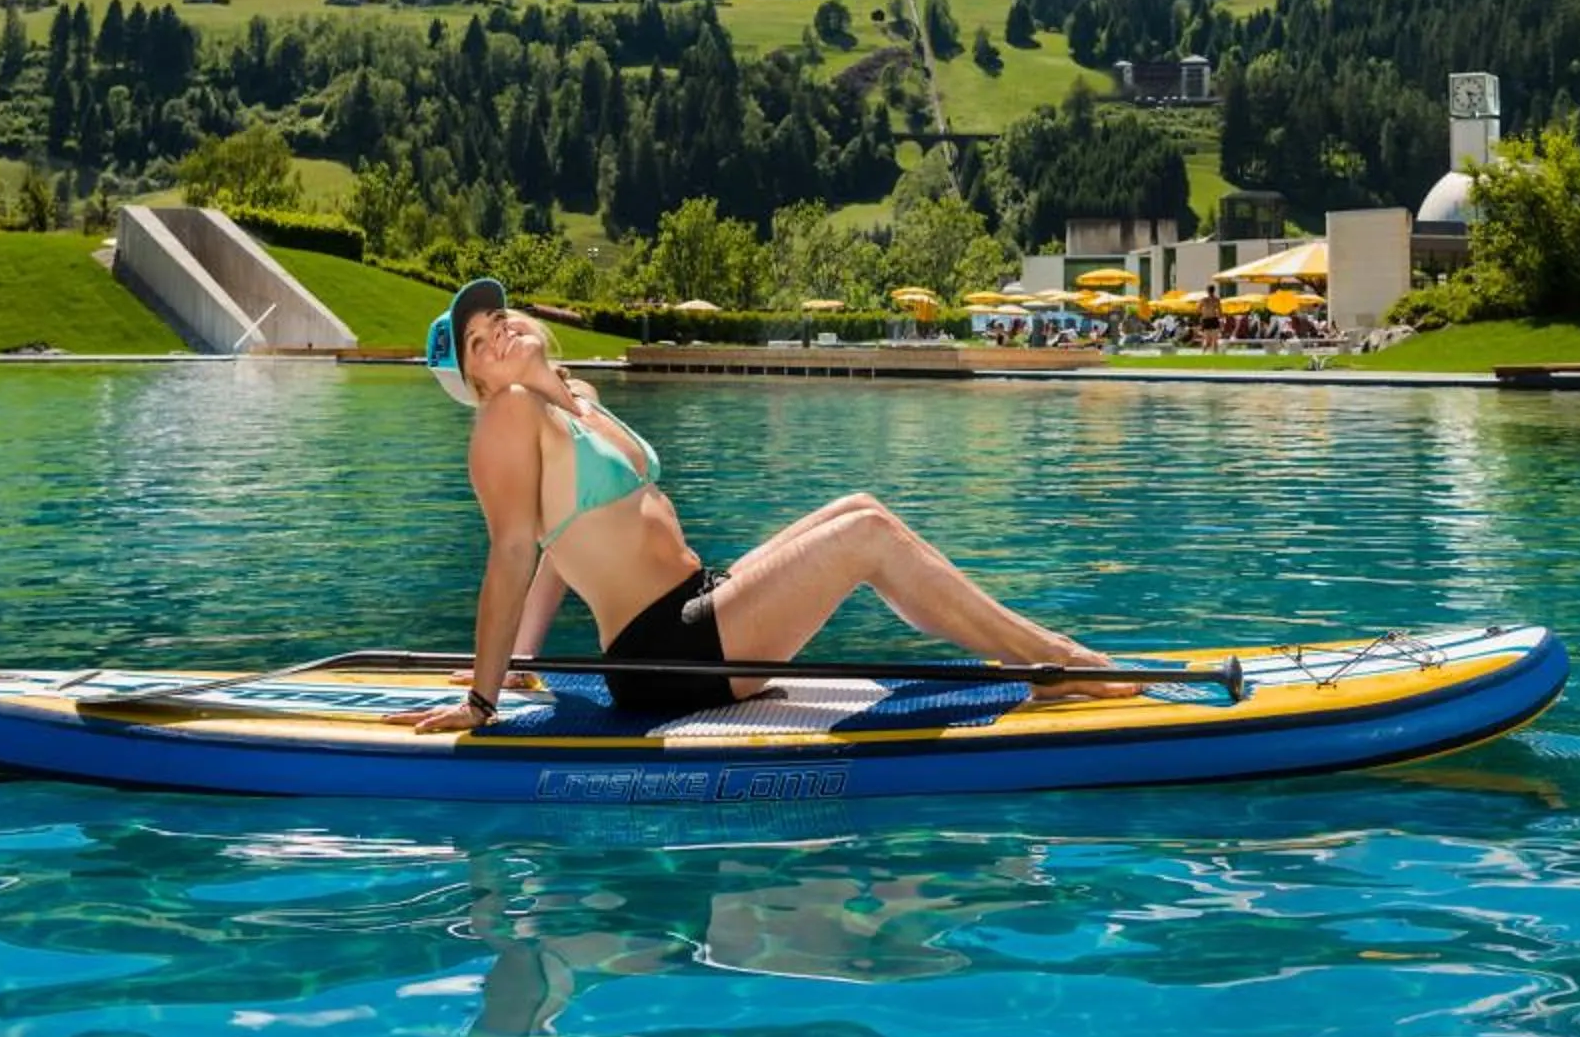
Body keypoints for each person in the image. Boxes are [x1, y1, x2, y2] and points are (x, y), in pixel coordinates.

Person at [410, 278, 1126, 733]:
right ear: (475, 382)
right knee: (866, 537)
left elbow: (556, 555)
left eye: (496, 316)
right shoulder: (506, 415)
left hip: (700, 602)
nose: (496, 331)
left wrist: (526, 656)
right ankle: (1059, 664)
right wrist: (484, 697)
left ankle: (1027, 654)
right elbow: (512, 552)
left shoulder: (578, 402)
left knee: (859, 506)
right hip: (664, 653)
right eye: (478, 342)